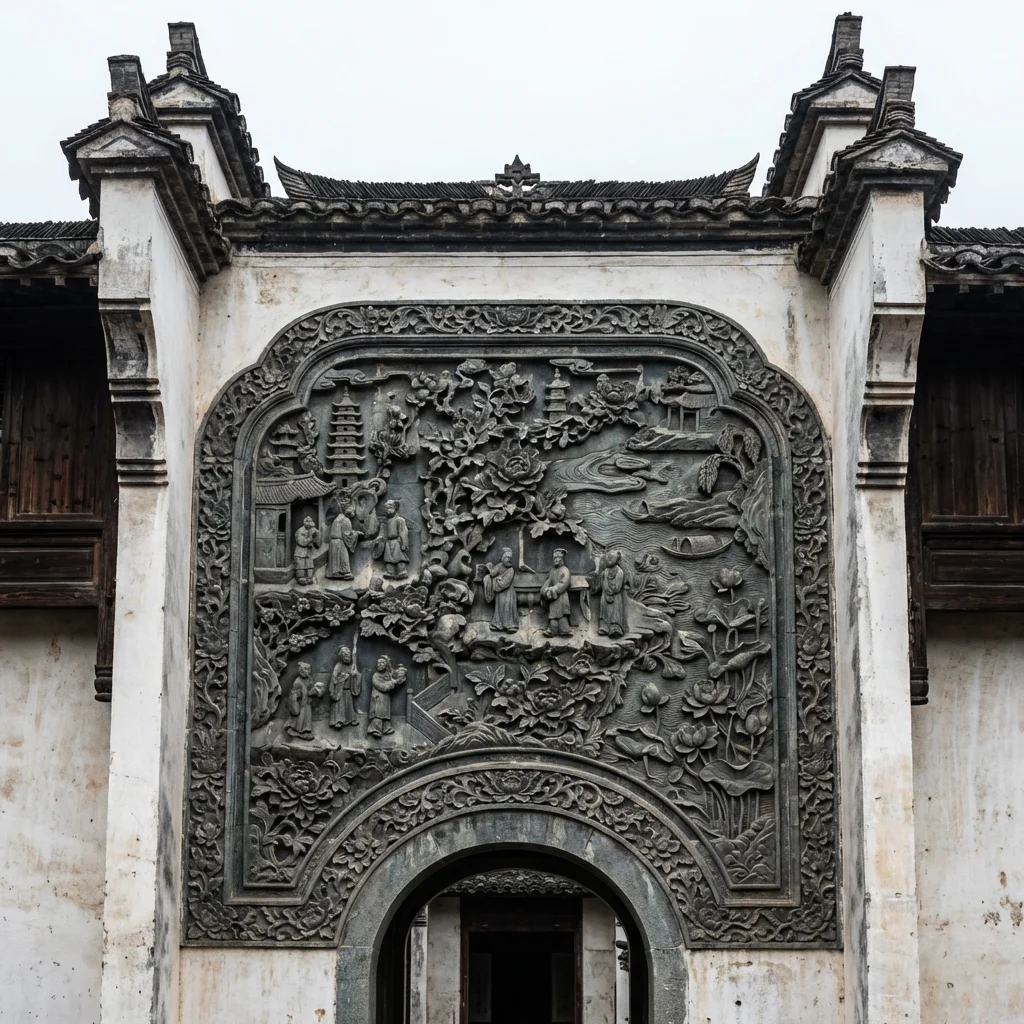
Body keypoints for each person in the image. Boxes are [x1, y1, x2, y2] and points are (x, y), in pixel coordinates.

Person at [368, 655, 407, 739]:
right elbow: (382, 687)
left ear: (386, 665)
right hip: (377, 697)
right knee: (378, 713)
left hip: (385, 698)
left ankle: (386, 728)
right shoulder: (375, 676)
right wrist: (394, 682)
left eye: (382, 663)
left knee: (385, 712)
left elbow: (394, 679)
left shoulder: (387, 675)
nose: (379, 664)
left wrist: (399, 678)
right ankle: (375, 729)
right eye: (378, 663)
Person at [372, 499, 410, 579]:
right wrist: (379, 539)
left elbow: (403, 531)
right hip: (388, 542)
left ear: (394, 508)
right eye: (386, 508)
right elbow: (382, 533)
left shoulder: (400, 520)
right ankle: (390, 572)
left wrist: (404, 543)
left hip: (397, 542)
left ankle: (402, 571)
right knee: (388, 559)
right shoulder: (385, 522)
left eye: (390, 507)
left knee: (399, 558)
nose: (387, 510)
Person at [483, 547, 519, 632]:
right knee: (499, 609)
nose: (509, 559)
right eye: (507, 557)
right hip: (499, 593)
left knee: (508, 608)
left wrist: (496, 580)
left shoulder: (511, 570)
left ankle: (510, 625)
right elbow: (492, 574)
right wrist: (490, 569)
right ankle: (497, 624)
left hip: (508, 593)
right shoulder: (499, 566)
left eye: (510, 558)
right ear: (503, 558)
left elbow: (505, 583)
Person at [595, 549, 627, 637]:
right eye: (607, 558)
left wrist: (612, 591)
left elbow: (618, 586)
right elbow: (600, 583)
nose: (608, 560)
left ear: (616, 560)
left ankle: (615, 627)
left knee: (615, 611)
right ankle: (604, 627)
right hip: (604, 596)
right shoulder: (605, 571)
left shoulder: (619, 571)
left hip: (615, 597)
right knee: (604, 611)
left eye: (611, 558)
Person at [286, 662, 322, 739]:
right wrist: (299, 695)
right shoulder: (297, 682)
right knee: (301, 717)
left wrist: (315, 690)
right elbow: (295, 695)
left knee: (307, 716)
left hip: (307, 702)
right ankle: (298, 730)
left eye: (309, 670)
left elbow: (310, 688)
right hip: (301, 703)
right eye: (305, 670)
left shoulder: (309, 679)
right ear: (301, 671)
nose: (307, 672)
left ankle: (305, 730)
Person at [541, 548, 572, 637]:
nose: (555, 560)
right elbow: (548, 582)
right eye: (554, 558)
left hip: (561, 595)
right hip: (553, 597)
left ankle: (565, 630)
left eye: (557, 558)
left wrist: (554, 589)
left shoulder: (565, 570)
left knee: (561, 614)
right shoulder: (552, 571)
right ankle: (552, 630)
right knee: (553, 615)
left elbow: (564, 582)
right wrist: (544, 590)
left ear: (561, 559)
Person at [328, 646, 361, 728]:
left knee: (348, 705)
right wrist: (343, 676)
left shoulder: (351, 666)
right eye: (345, 655)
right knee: (339, 706)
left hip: (348, 689)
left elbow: (356, 676)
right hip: (339, 691)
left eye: (348, 655)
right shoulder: (338, 666)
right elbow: (334, 679)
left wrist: (355, 675)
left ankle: (350, 719)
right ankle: (338, 720)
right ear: (342, 657)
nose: (347, 657)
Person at [326, 499, 358, 580]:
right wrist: (356, 534)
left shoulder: (339, 518)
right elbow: (347, 535)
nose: (354, 513)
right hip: (339, 542)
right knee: (343, 556)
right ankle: (344, 573)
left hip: (334, 542)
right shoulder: (345, 520)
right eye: (353, 510)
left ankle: (335, 573)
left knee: (337, 559)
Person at [293, 516, 320, 585]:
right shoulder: (300, 531)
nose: (309, 523)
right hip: (300, 552)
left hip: (309, 552)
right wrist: (311, 537)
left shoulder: (312, 530)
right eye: (307, 521)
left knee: (309, 567)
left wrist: (316, 537)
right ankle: (300, 578)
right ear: (305, 523)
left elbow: (317, 544)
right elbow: (302, 542)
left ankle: (309, 578)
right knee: (300, 567)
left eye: (310, 521)